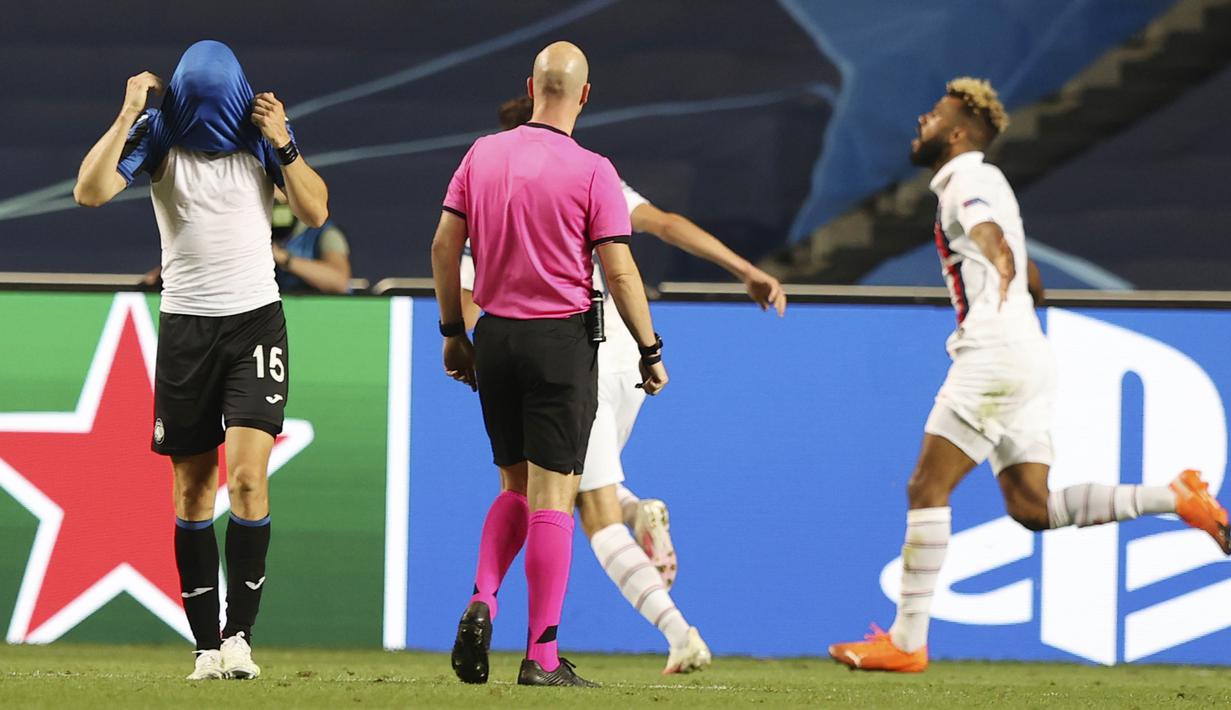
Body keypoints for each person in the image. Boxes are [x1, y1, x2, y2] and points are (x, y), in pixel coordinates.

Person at [827, 77, 1230, 673]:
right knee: (1031, 508)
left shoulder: (965, 177)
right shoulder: (991, 182)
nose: (922, 120)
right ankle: (1175, 498)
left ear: (959, 131)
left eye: (934, 113)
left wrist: (1000, 268)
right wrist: (1014, 292)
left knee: (925, 488)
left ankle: (907, 642)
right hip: (1025, 352)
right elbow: (1031, 274)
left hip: (994, 354)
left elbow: (994, 241)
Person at [457, 94, 786, 674]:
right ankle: (637, 514)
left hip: (570, 350)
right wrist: (744, 269)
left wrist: (458, 340)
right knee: (568, 485)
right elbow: (661, 227)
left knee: (581, 507)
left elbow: (461, 289)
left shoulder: (487, 190)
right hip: (618, 351)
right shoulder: (589, 172)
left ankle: (678, 633)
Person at [73, 40, 329, 681]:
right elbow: (90, 192)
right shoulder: (157, 135)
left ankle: (240, 637)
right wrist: (129, 111)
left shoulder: (260, 131)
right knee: (193, 489)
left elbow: (316, 208)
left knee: (246, 477)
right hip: (186, 327)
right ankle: (206, 647)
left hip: (254, 323)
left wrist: (286, 139)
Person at [431, 41, 667, 688]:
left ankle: (483, 596)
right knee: (553, 497)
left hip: (497, 338)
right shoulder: (593, 170)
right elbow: (617, 268)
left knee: (513, 485)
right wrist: (649, 349)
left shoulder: (483, 153)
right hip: (561, 341)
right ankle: (539, 655)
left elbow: (445, 244)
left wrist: (454, 331)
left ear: (529, 86)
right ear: (584, 95)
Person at [140, 193, 351, 294]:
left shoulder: (323, 234)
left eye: (283, 200)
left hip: (320, 317)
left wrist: (283, 258)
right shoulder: (248, 227)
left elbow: (339, 282)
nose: (278, 207)